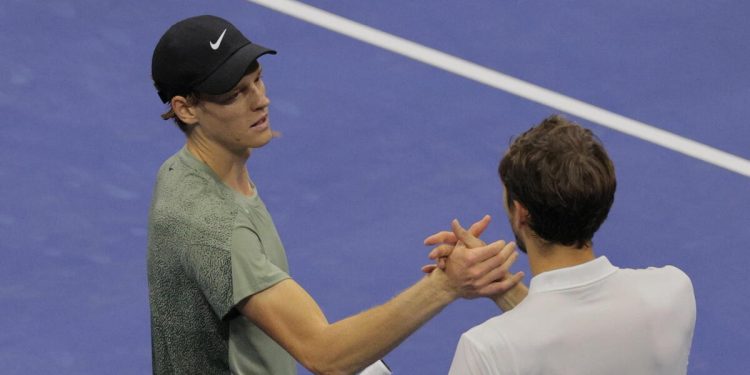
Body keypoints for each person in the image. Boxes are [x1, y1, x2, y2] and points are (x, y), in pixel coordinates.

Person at [146, 15, 526, 375]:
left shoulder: (188, 172)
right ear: (186, 108)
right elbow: (324, 355)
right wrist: (445, 285)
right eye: (235, 95)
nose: (260, 100)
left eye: (258, 81)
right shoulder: (212, 226)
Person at [426, 115, 697, 374]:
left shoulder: (487, 351)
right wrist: (501, 286)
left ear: (521, 213)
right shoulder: (672, 292)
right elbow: (582, 341)